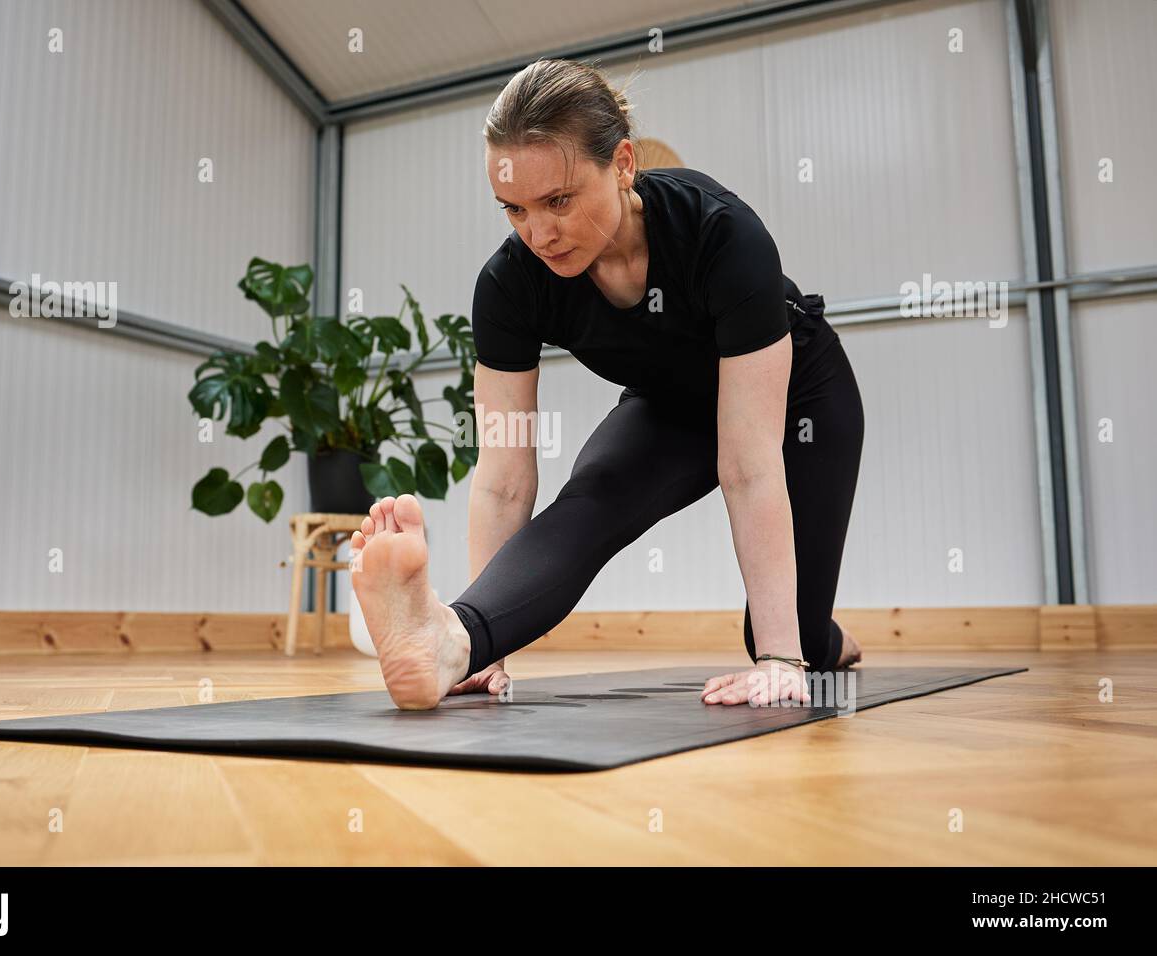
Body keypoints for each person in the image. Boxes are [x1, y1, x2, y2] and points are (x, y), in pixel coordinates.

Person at [350, 58, 864, 711]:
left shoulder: (723, 234)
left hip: (802, 399)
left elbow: (750, 465)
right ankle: (449, 639)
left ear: (622, 164)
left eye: (558, 201)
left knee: (792, 640)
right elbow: (505, 476)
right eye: (514, 209)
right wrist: (486, 649)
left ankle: (825, 641)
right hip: (672, 403)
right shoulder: (508, 287)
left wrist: (780, 659)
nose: (537, 233)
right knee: (593, 496)